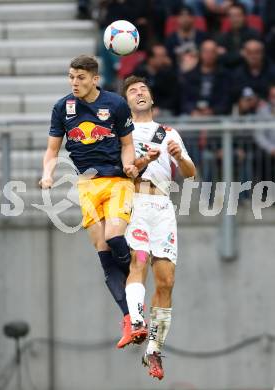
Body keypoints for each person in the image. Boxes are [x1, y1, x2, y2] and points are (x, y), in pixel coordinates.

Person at [39, 54, 143, 349]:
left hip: (116, 182)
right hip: (86, 185)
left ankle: (138, 266)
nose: (75, 82)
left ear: (95, 79)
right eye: (71, 76)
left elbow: (127, 144)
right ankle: (130, 318)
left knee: (113, 237)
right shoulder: (62, 108)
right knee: (103, 251)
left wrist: (129, 165)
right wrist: (48, 174)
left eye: (81, 77)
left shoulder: (115, 105)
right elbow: (52, 151)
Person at [122, 76, 196, 380]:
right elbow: (123, 171)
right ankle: (136, 320)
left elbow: (190, 174)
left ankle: (154, 347)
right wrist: (142, 161)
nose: (139, 93)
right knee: (138, 260)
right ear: (126, 101)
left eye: (143, 90)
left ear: (152, 99)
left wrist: (179, 157)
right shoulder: (122, 132)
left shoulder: (169, 133)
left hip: (163, 208)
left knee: (166, 281)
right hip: (137, 202)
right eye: (132, 91)